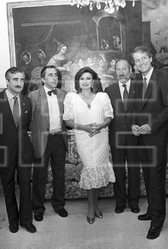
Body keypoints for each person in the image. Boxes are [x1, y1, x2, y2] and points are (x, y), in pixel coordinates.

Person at [130, 46, 168, 240]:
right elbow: (134, 107)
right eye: (137, 60)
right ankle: (151, 209)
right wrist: (133, 124)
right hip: (141, 137)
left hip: (156, 136)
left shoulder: (163, 76)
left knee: (156, 180)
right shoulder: (137, 80)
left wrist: (151, 126)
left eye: (143, 59)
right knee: (148, 177)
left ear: (150, 58)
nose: (140, 63)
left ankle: (157, 222)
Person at [63, 67, 115, 224]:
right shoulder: (71, 98)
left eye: (88, 78)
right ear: (78, 81)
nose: (85, 81)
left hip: (100, 139)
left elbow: (109, 117)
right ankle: (91, 208)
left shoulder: (102, 96)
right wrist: (84, 127)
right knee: (90, 170)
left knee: (98, 172)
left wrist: (100, 125)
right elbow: (67, 120)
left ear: (93, 81)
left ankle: (95, 206)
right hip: (84, 139)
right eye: (82, 78)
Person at [0, 67, 36, 234]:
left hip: (24, 152)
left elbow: (25, 126)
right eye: (15, 80)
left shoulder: (27, 101)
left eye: (22, 80)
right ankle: (13, 221)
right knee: (8, 187)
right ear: (7, 81)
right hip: (4, 152)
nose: (19, 83)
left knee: (25, 186)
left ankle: (26, 220)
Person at [28, 65, 69, 222]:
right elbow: (30, 121)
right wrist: (40, 131)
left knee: (59, 175)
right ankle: (38, 208)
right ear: (43, 78)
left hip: (59, 139)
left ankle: (59, 205)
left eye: (56, 75)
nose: (54, 78)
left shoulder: (64, 94)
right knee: (39, 176)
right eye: (50, 75)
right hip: (42, 140)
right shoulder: (33, 95)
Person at [105, 59, 141, 215]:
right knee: (118, 171)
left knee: (134, 171)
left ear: (130, 69)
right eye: (118, 69)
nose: (121, 72)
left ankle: (133, 202)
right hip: (116, 137)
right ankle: (120, 202)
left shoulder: (140, 88)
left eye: (124, 69)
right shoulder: (109, 90)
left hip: (135, 137)